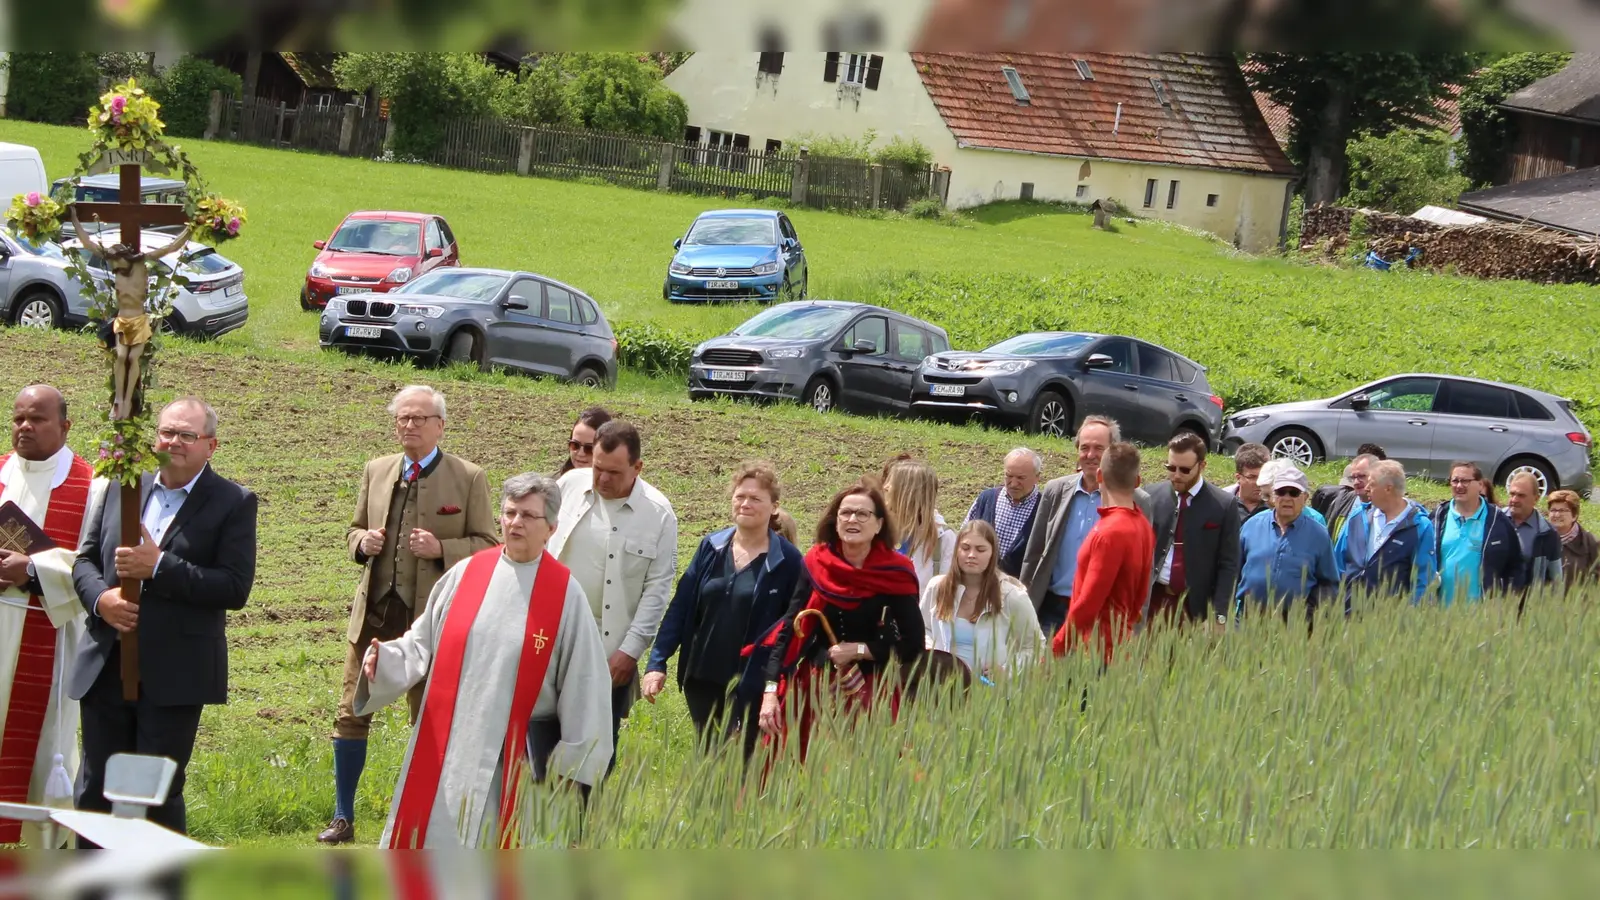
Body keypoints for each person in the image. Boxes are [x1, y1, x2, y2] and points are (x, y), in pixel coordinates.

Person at [355, 474, 612, 848]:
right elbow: (423, 641)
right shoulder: (468, 573)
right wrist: (386, 661)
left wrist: (572, 765)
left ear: (551, 528)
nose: (515, 523)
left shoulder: (564, 595)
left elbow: (586, 684)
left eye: (528, 515)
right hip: (451, 743)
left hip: (518, 755)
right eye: (509, 513)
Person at [70, 397, 258, 839]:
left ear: (211, 445)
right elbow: (84, 562)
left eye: (187, 435)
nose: (174, 442)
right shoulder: (124, 485)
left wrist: (159, 567)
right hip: (106, 665)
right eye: (167, 432)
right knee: (95, 791)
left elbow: (234, 587)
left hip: (174, 674)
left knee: (151, 794)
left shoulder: (232, 502)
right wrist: (103, 600)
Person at [321, 385, 498, 845]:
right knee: (350, 712)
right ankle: (343, 817)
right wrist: (362, 544)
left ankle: (427, 818)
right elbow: (353, 529)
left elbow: (488, 545)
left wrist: (443, 549)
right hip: (376, 615)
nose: (409, 426)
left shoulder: (468, 476)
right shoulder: (376, 470)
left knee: (430, 718)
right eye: (402, 418)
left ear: (440, 425)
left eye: (419, 419)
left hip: (432, 623)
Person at [755, 478, 925, 762]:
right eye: (845, 513)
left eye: (862, 514)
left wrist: (860, 650)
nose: (852, 519)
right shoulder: (816, 563)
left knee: (867, 774)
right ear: (835, 522)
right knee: (794, 770)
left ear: (879, 524)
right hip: (816, 685)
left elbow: (913, 645)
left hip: (871, 688)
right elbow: (788, 628)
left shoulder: (896, 571)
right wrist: (771, 692)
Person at [0, 386, 104, 847]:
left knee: (46, 742)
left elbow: (97, 562)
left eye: (37, 419)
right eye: (19, 418)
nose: (25, 427)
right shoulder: (0, 472)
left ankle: (43, 847)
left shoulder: (91, 484)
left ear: (65, 426)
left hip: (52, 633)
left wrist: (33, 568)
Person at [642, 462, 802, 760]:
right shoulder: (711, 546)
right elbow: (682, 605)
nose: (745, 503)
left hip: (749, 685)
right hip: (702, 678)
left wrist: (772, 686)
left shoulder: (788, 561)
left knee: (740, 763)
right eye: (740, 496)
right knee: (709, 758)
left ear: (774, 507)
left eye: (756, 499)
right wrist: (657, 662)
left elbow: (790, 633)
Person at [549, 420, 678, 775]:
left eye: (614, 473)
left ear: (638, 468)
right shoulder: (568, 487)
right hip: (552, 639)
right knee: (542, 737)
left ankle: (584, 823)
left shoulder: (659, 514)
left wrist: (630, 651)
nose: (602, 479)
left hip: (609, 654)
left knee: (594, 751)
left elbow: (657, 590)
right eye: (597, 469)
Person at [1019, 416, 1152, 640]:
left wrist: (1136, 626)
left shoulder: (1138, 501)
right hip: (1052, 610)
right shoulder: (1056, 490)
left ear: (1112, 452)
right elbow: (1034, 553)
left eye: (1099, 448)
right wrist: (1022, 603)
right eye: (1084, 448)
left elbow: (1143, 570)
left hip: (1103, 619)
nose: (1090, 455)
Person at [1050, 442, 1154, 664]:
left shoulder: (1108, 532)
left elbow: (1088, 603)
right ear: (1137, 481)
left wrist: (1056, 648)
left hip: (1093, 653)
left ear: (1099, 475)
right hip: (1122, 648)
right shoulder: (1143, 525)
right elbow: (1142, 593)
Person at [919, 520, 1044, 682]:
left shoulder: (1011, 596)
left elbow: (1034, 646)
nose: (971, 555)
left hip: (989, 692)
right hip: (942, 687)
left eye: (980, 550)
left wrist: (1008, 671)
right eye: (965, 548)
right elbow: (923, 629)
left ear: (993, 554)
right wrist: (932, 653)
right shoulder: (937, 587)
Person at [1145, 432, 1241, 629]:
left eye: (1185, 469)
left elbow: (1229, 564)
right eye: (1171, 468)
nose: (1177, 475)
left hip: (1196, 609)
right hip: (1153, 601)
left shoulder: (1223, 504)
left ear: (1202, 465)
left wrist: (1219, 614)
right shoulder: (1151, 495)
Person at [1235, 465, 1337, 625]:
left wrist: (1312, 614)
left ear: (1305, 498)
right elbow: (1233, 569)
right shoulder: (1251, 526)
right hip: (1248, 620)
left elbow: (1329, 583)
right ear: (1273, 496)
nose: (1287, 498)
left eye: (1294, 493)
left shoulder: (1318, 534)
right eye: (1281, 492)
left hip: (1295, 625)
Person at [1333, 460, 1437, 609]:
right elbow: (1338, 565)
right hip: (1349, 616)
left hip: (1388, 622)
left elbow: (1423, 581)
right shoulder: (1357, 517)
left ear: (1388, 488)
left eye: (1372, 484)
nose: (1366, 488)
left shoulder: (1419, 526)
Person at [1433, 461, 1524, 606]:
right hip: (1438, 613)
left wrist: (1506, 603)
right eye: (1455, 481)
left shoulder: (1498, 521)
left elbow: (1515, 566)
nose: (1459, 486)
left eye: (1465, 481)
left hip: (1482, 616)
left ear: (1480, 485)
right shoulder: (1438, 517)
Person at [962, 448, 1043, 578]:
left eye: (1021, 478)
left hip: (1019, 591)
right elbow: (963, 538)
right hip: (979, 585)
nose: (1013, 483)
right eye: (1009, 476)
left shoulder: (1045, 508)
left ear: (1037, 477)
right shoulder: (986, 499)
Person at [883, 458, 956, 592]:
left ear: (908, 492)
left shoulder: (944, 538)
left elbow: (948, 596)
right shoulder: (877, 530)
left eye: (891, 483)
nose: (885, 487)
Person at [1504, 472, 1563, 593]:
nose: (1514, 499)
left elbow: (1556, 579)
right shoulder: (1493, 522)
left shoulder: (1548, 534)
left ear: (1536, 498)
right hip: (1492, 603)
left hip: (1528, 605)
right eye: (1512, 494)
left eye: (1521, 495)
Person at [1313, 453, 1377, 543]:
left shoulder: (1388, 509)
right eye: (1353, 477)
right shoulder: (1343, 502)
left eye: (1362, 476)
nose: (1356, 482)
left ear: (1377, 475)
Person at [1545, 490, 1598, 588]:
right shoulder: (1542, 539)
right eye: (1553, 510)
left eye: (1562, 511)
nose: (1556, 515)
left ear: (1574, 516)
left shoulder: (1591, 543)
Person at [1256, 459, 1328, 528]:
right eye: (1265, 496)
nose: (1270, 501)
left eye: (1280, 493)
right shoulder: (1257, 522)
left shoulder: (1315, 520)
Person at [553, 407, 613, 479]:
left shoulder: (618, 487)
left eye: (589, 448)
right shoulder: (552, 485)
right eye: (575, 445)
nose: (580, 453)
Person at [1226, 443, 1271, 520]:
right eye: (1252, 477)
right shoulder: (1222, 504)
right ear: (1238, 477)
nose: (1259, 482)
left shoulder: (1277, 506)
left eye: (1264, 476)